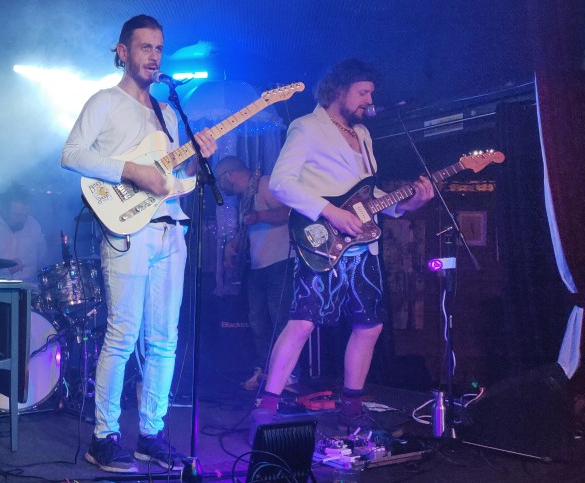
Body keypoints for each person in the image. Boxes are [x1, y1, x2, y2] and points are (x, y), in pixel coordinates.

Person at [61, 15, 217, 473]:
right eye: (145, 47)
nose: (153, 56)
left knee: (164, 341)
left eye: (158, 49)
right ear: (123, 51)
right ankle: (103, 436)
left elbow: (176, 182)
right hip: (128, 229)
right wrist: (130, 169)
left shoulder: (168, 114)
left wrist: (199, 160)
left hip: (172, 229)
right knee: (123, 335)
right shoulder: (105, 101)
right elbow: (71, 154)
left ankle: (151, 433)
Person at [253, 59, 434, 436]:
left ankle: (352, 407)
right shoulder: (306, 127)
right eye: (362, 92)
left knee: (370, 325)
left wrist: (408, 203)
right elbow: (281, 185)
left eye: (371, 93)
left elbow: (371, 195)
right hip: (322, 241)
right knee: (302, 322)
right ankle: (267, 404)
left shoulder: (364, 135)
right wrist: (331, 212)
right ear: (338, 90)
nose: (369, 100)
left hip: (362, 249)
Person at [214, 156, 294, 391]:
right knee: (258, 323)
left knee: (281, 322)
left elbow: (290, 211)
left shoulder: (266, 184)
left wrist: (261, 216)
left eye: (220, 181)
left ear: (229, 175)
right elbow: (248, 230)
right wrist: (232, 247)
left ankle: (288, 376)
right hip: (258, 268)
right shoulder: (245, 199)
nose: (220, 187)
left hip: (280, 264)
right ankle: (264, 371)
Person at [0, 183, 47, 284]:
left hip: (31, 290)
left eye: (25, 215)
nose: (21, 220)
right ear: (3, 208)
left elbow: (43, 258)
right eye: (16, 215)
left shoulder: (33, 225)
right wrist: (6, 266)